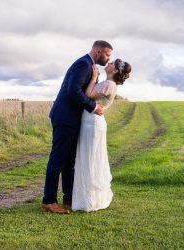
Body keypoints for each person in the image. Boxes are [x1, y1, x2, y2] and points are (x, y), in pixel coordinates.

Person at [42, 41, 113, 214]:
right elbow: (72, 91)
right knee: (58, 159)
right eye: (107, 55)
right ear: (98, 52)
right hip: (65, 117)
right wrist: (94, 107)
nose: (108, 58)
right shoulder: (83, 64)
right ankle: (49, 200)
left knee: (69, 160)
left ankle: (69, 195)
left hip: (72, 119)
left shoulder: (90, 66)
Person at [72, 59, 132, 212]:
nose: (109, 64)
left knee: (90, 158)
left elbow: (88, 94)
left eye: (112, 64)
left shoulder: (109, 85)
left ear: (116, 71)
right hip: (91, 121)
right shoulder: (107, 83)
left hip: (92, 123)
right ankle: (85, 197)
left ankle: (90, 199)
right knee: (88, 157)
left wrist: (93, 78)